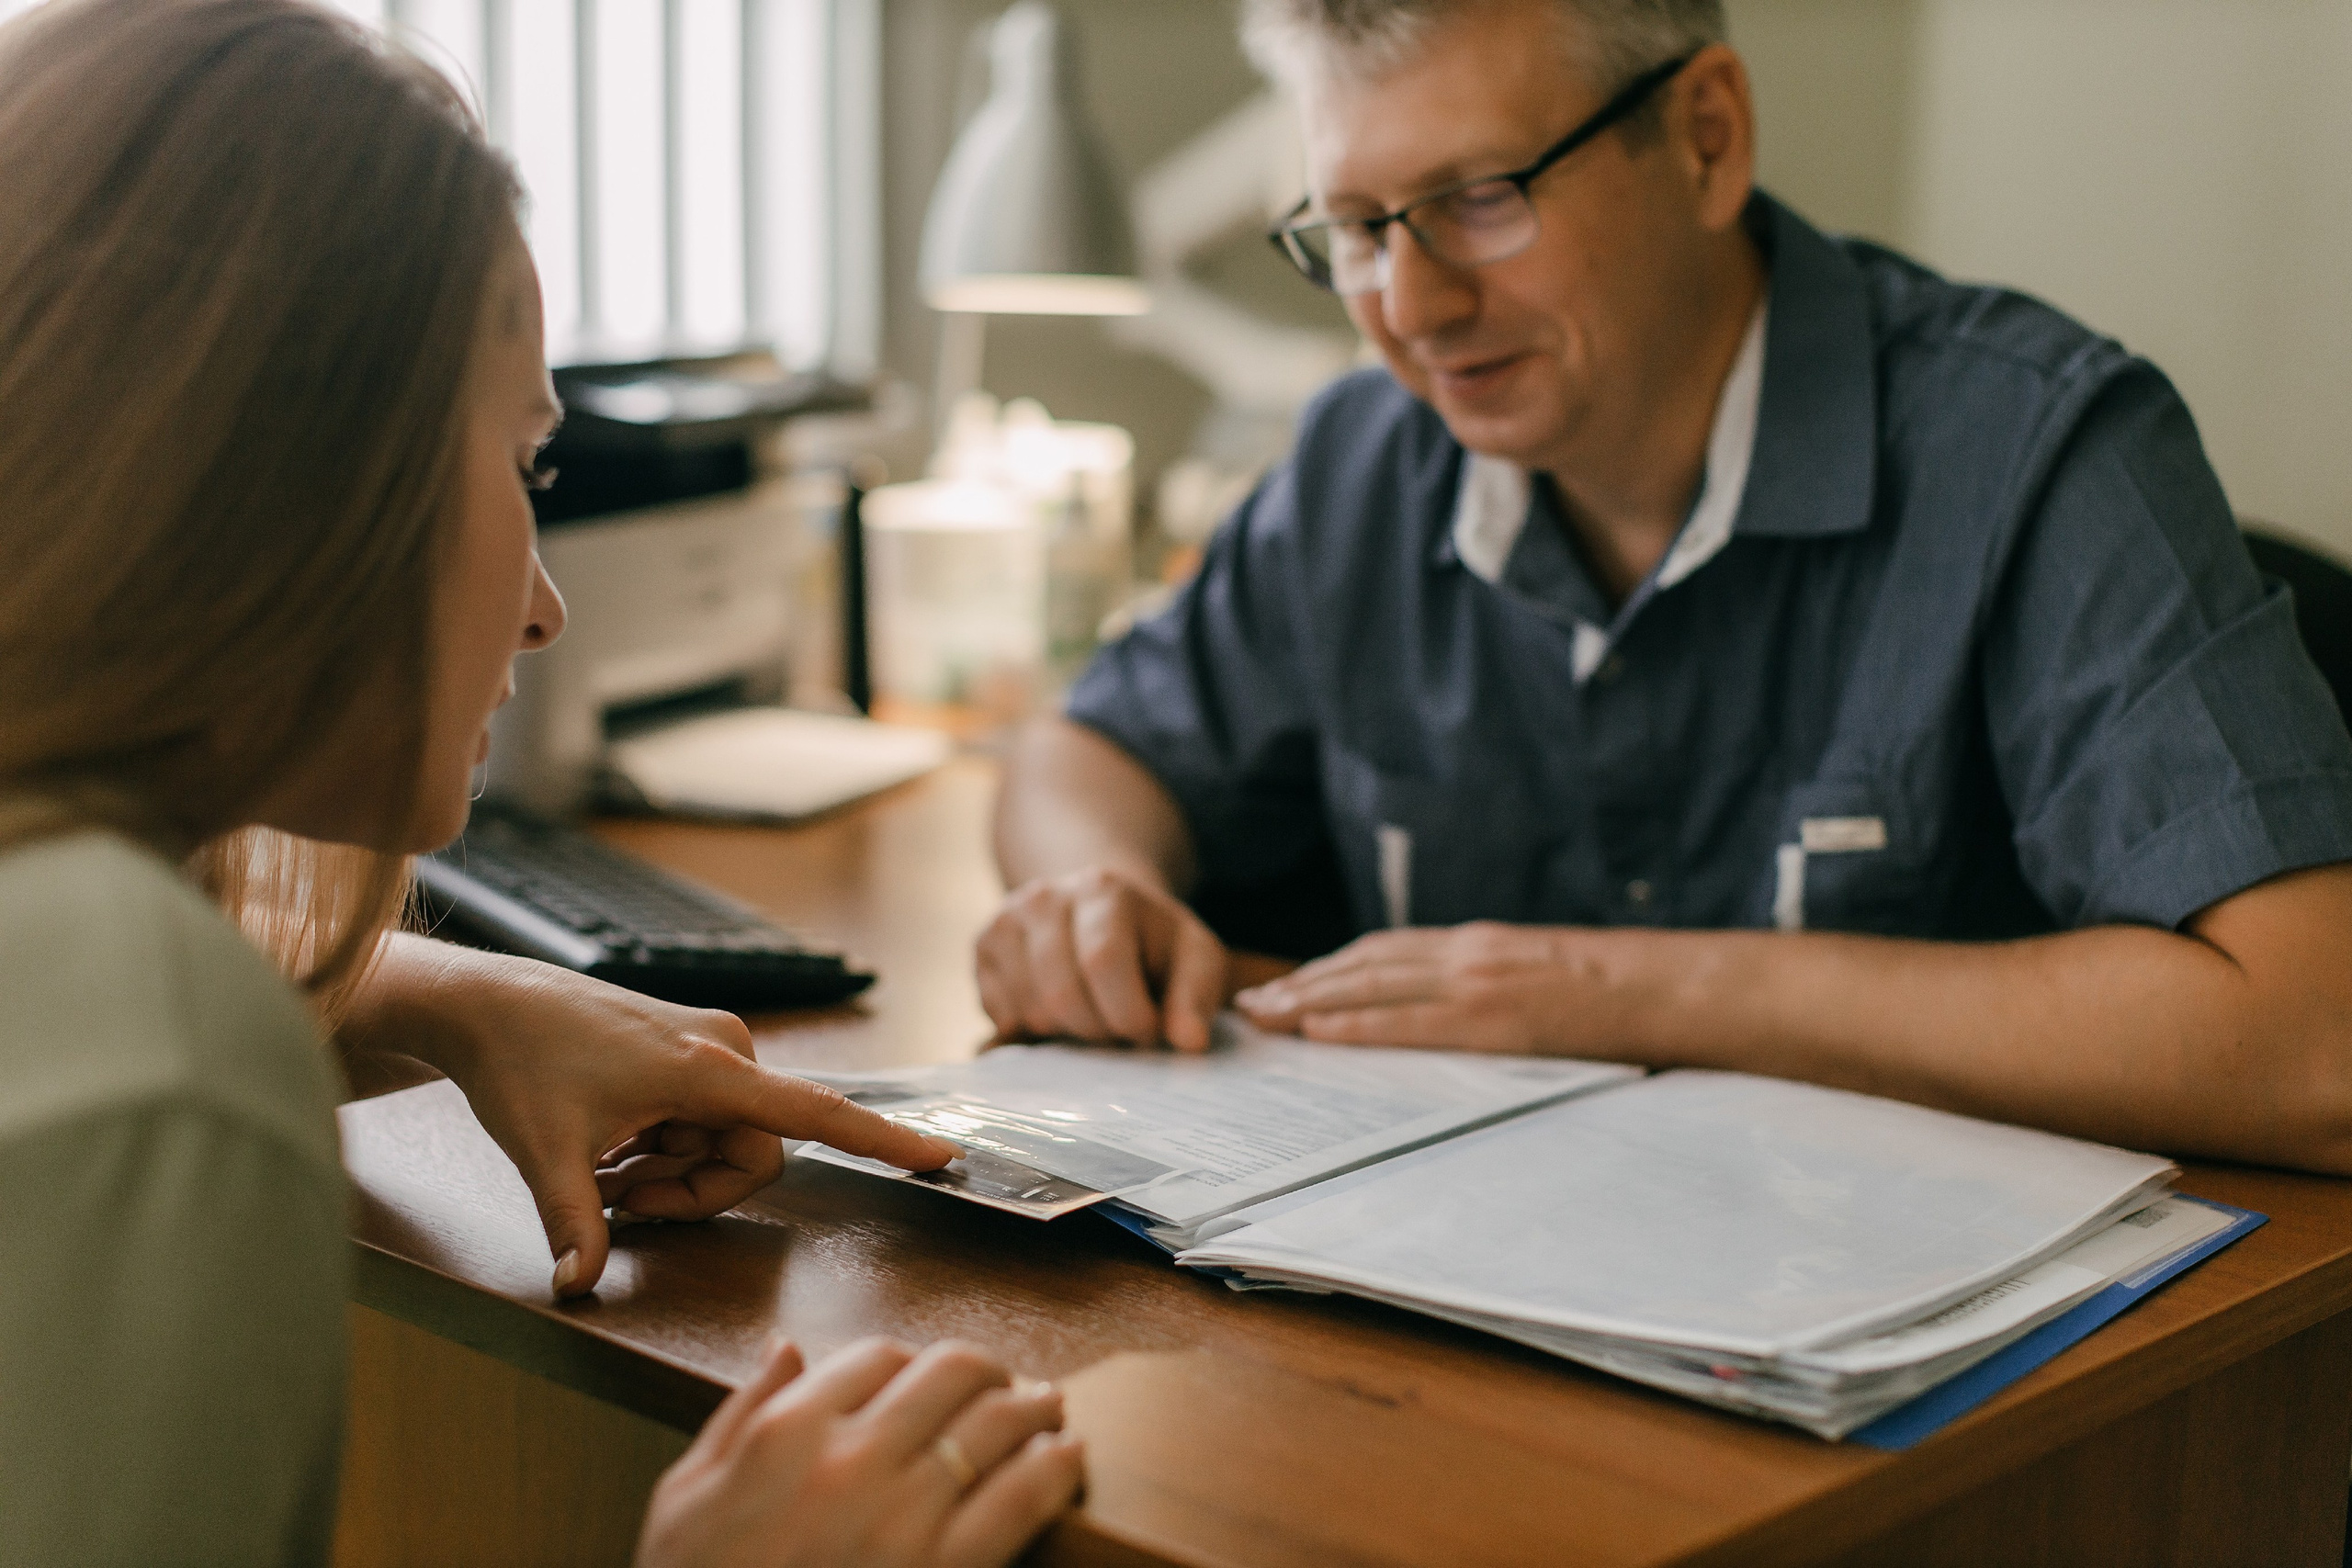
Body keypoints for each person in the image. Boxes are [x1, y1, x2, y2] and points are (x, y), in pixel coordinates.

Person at [0, 2, 1080, 1562]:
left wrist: (426, 996)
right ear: (305, 475)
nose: (542, 604)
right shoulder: (157, 1062)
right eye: (523, 465)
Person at [978, 0, 2352, 1177]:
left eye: (1479, 198)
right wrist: (1094, 893)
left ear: (1706, 138)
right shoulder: (1364, 460)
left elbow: (2315, 1043)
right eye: (1352, 226)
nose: (1412, 306)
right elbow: (1083, 751)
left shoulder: (2040, 450)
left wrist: (1614, 991)